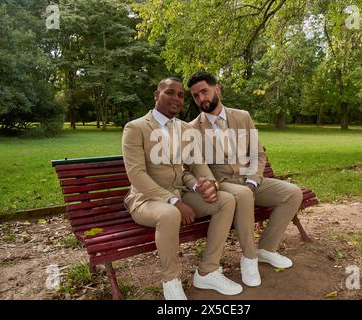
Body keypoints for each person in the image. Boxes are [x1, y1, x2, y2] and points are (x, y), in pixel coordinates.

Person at [122, 77, 243, 300]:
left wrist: (208, 184)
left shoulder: (184, 128)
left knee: (226, 200)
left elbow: (195, 163)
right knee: (169, 215)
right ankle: (171, 281)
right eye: (170, 92)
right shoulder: (136, 128)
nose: (177, 99)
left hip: (181, 193)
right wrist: (173, 202)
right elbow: (136, 174)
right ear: (157, 95)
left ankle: (208, 271)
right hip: (146, 199)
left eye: (180, 95)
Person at [186, 71, 303, 287]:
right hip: (224, 185)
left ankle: (266, 248)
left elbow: (258, 153)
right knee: (243, 194)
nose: (201, 98)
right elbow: (196, 166)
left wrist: (253, 179)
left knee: (292, 193)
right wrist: (214, 184)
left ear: (217, 89)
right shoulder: (192, 129)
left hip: (250, 180)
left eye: (204, 91)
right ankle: (249, 258)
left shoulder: (242, 116)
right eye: (195, 96)